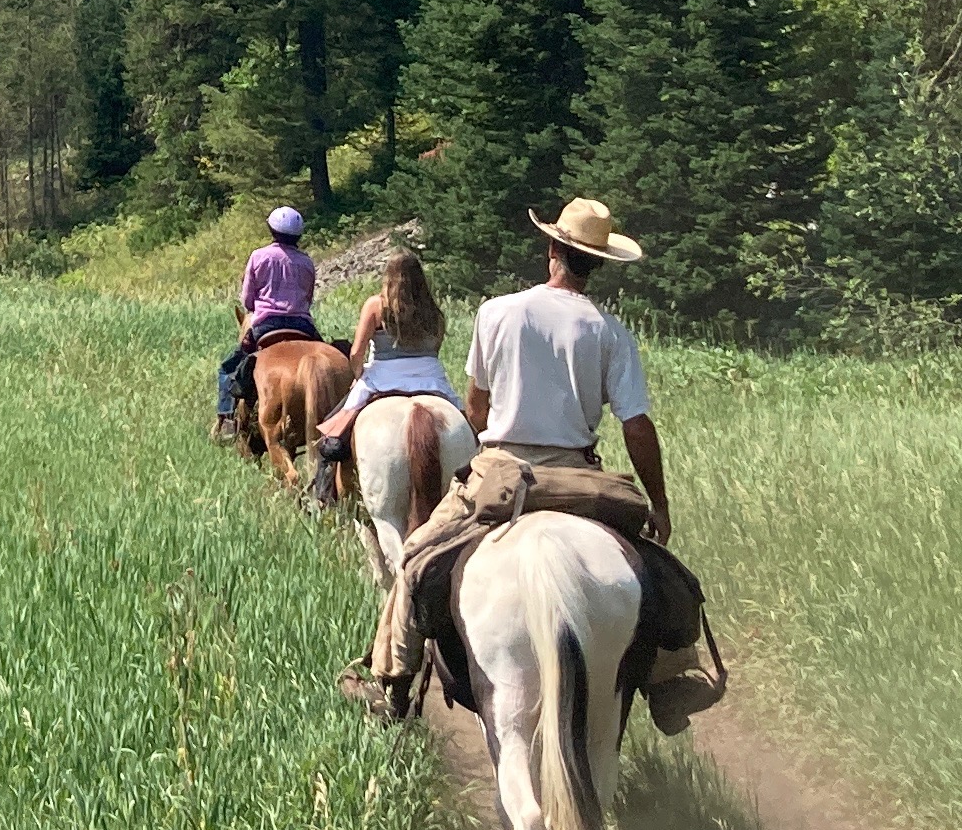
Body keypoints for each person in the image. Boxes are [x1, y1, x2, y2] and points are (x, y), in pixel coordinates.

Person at [364, 197, 673, 715]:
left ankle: (393, 679)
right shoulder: (610, 331)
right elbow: (637, 427)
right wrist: (659, 504)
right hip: (580, 475)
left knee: (417, 556)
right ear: (596, 263)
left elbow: (477, 410)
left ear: (552, 248)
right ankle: (670, 674)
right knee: (662, 575)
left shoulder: (498, 312)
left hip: (502, 469)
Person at [305, 245, 449, 508]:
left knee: (332, 434)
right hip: (430, 378)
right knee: (469, 428)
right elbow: (435, 349)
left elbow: (357, 351)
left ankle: (322, 499)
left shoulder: (376, 305)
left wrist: (358, 375)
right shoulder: (433, 310)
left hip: (384, 376)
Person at [214, 204, 320, 439]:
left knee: (228, 368)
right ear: (299, 235)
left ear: (272, 230)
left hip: (266, 325)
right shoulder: (306, 262)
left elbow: (248, 299)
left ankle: (227, 419)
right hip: (303, 326)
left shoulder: (259, 256)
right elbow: (308, 297)